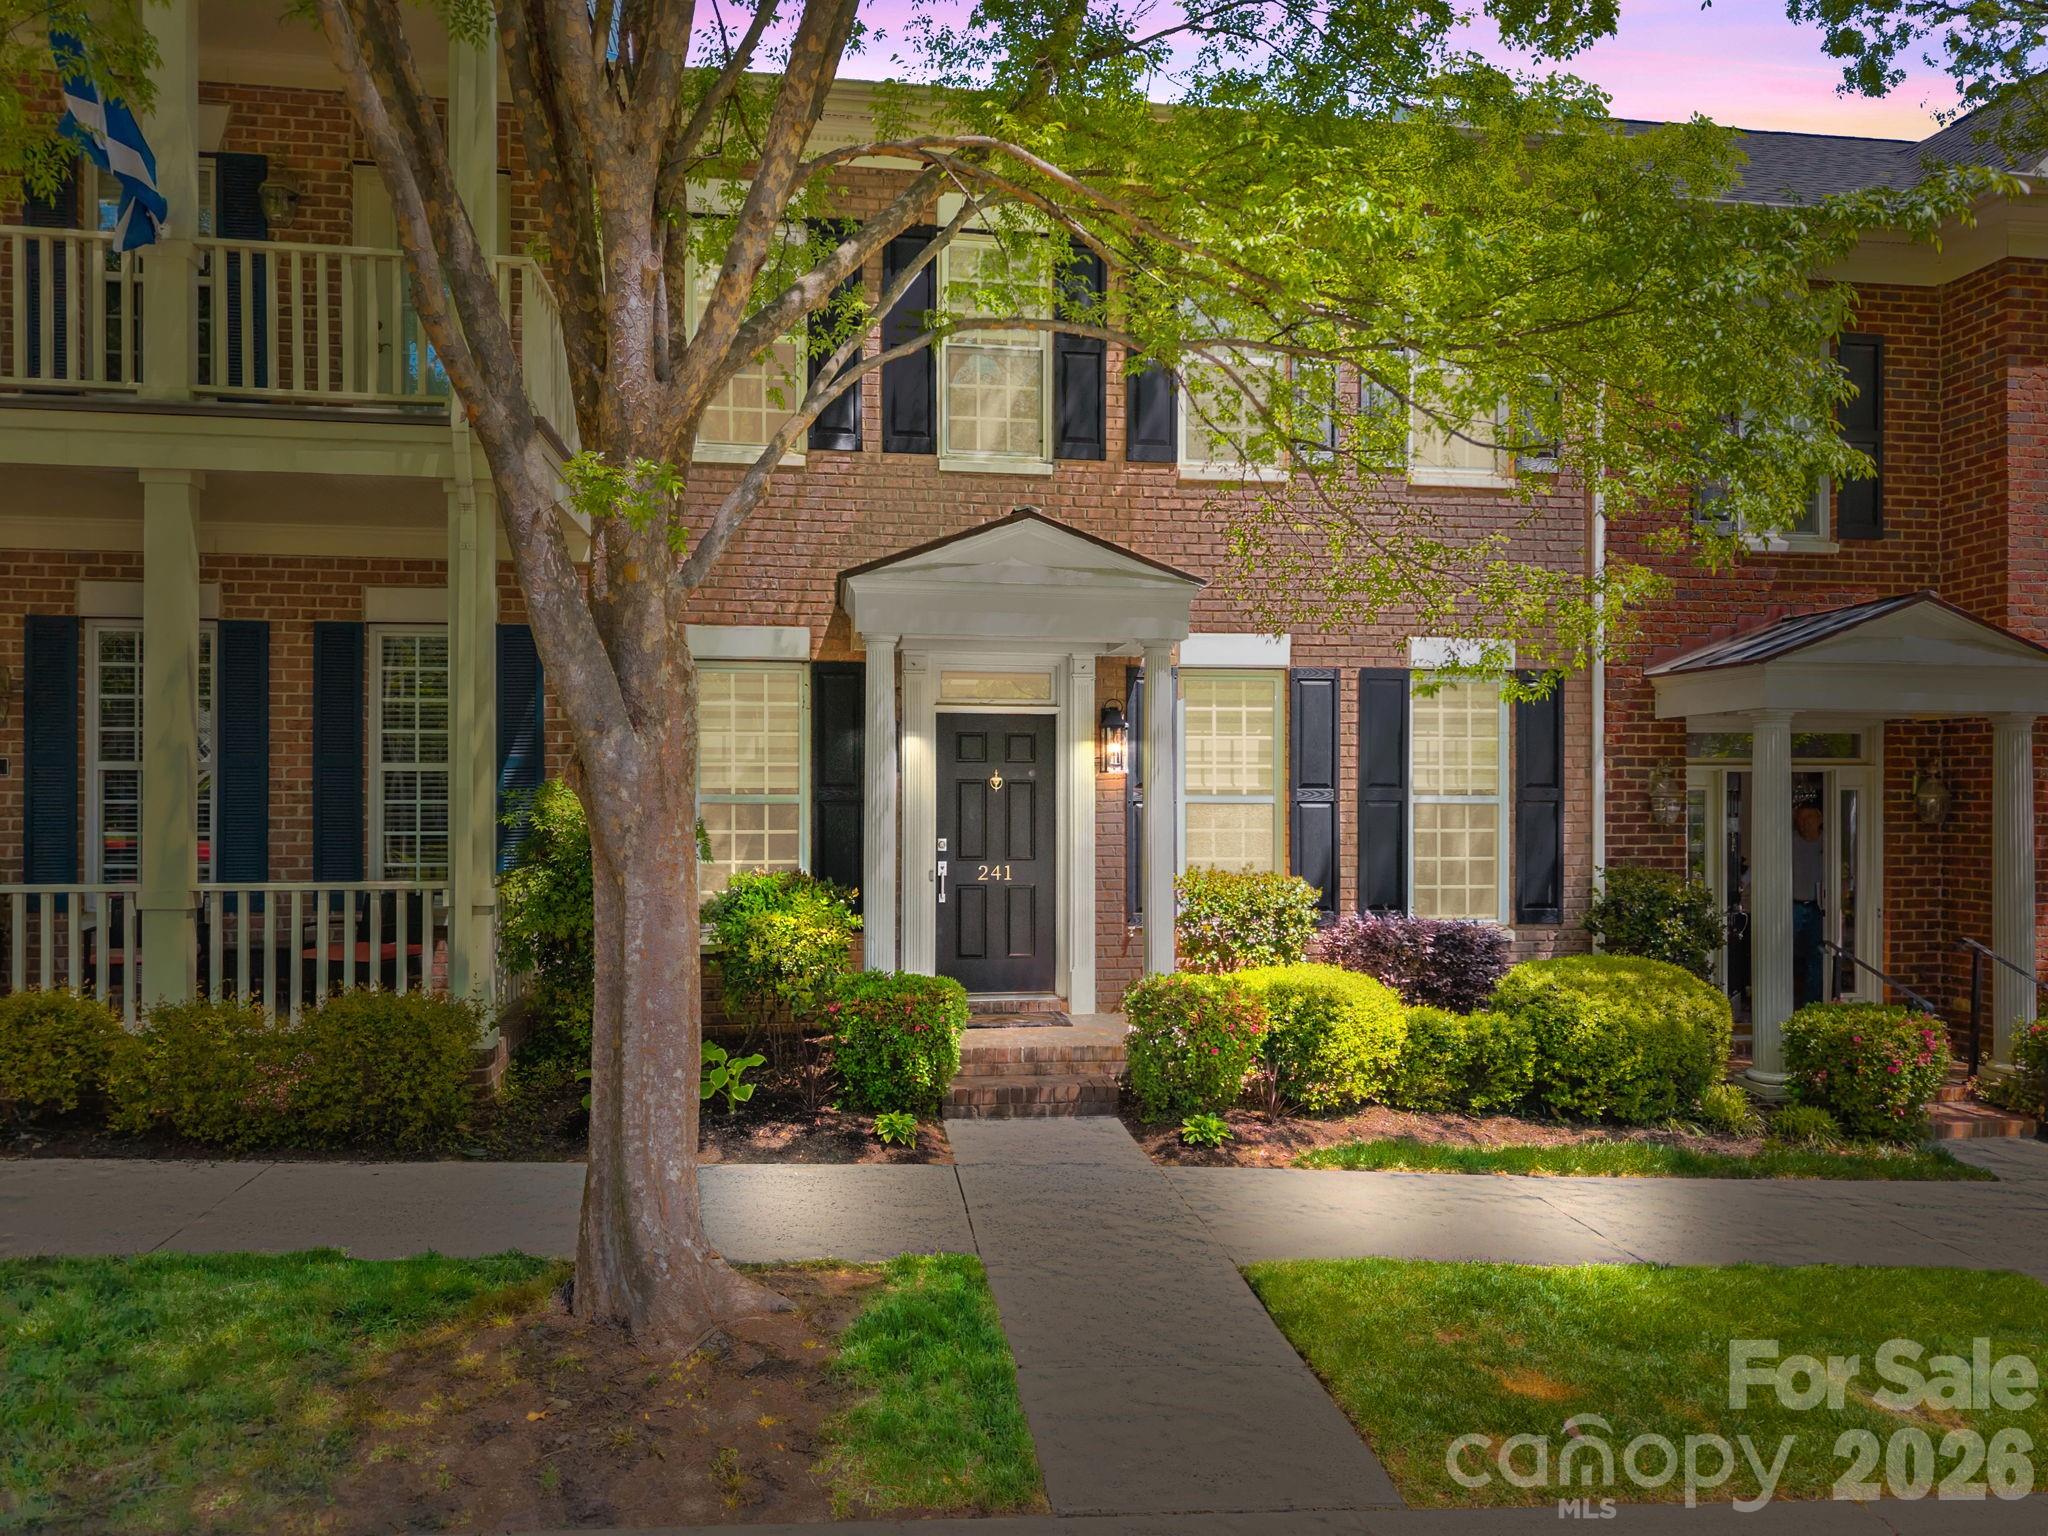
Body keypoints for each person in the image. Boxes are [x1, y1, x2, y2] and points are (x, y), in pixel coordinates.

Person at [1791, 803, 1826, 1007]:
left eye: (1808, 819)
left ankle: (1811, 1005)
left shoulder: (1829, 843)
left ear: (1819, 819)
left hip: (1818, 908)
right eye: (1800, 820)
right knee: (1786, 954)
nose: (1804, 824)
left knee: (1817, 956)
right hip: (1793, 905)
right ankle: (1786, 1003)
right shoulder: (1789, 842)